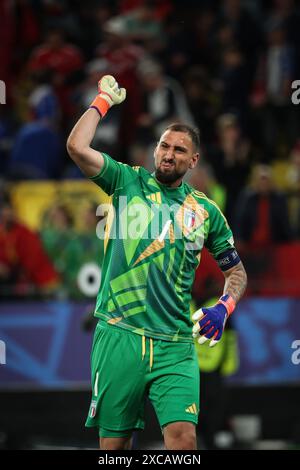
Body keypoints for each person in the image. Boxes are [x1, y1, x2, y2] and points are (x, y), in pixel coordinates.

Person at [66, 75, 247, 450]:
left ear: (193, 161)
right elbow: (76, 146)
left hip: (176, 343)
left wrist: (224, 307)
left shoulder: (207, 213)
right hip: (120, 334)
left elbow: (237, 272)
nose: (169, 154)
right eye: (165, 146)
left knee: (184, 440)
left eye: (180, 150)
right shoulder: (124, 182)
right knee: (114, 449)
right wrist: (102, 102)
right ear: (155, 151)